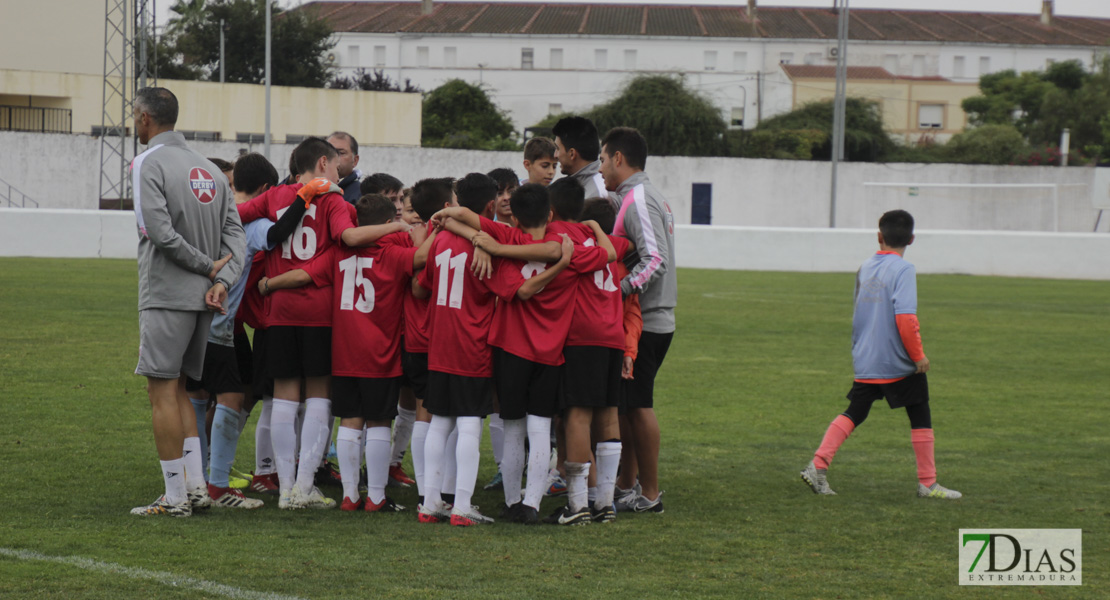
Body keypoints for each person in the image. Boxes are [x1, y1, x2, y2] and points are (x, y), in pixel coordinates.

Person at [236, 137, 407, 511]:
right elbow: (347, 237)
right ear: (324, 163)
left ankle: (283, 490)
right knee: (318, 395)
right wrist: (396, 228)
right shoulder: (334, 201)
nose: (339, 172)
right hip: (319, 310)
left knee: (283, 396)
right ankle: (304, 485)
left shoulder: (277, 196)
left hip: (279, 310)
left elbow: (235, 215)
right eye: (335, 166)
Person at [260, 193, 435, 513]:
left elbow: (303, 275)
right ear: (387, 225)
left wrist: (270, 284)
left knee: (350, 421)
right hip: (380, 353)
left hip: (343, 353)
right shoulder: (394, 253)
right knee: (380, 422)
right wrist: (425, 232)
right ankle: (377, 498)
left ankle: (350, 496)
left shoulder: (338, 252)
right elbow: (422, 259)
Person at [129, 87, 246, 517]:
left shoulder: (147, 162)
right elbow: (236, 238)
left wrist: (207, 268)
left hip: (167, 293)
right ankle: (195, 487)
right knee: (181, 389)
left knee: (160, 391)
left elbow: (158, 233)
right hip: (205, 300)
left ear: (144, 118)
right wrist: (222, 279)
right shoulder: (211, 170)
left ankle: (175, 497)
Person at [801, 210, 962, 500]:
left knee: (855, 411)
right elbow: (906, 319)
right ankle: (928, 483)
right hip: (896, 361)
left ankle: (818, 465)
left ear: (879, 236)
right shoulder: (904, 269)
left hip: (867, 357)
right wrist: (918, 357)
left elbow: (858, 314)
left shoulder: (864, 267)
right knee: (920, 412)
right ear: (911, 239)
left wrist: (860, 351)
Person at [191, 152, 305, 510]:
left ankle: (195, 478)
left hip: (190, 322)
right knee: (232, 399)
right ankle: (217, 486)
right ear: (265, 189)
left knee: (195, 396)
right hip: (220, 326)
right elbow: (278, 232)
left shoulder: (203, 218)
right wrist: (304, 197)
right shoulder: (248, 225)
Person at [600, 127, 676, 514]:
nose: (600, 168)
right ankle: (627, 484)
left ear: (618, 158)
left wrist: (619, 290)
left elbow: (656, 259)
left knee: (639, 403)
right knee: (628, 405)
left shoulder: (639, 199)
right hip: (642, 319)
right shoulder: (636, 196)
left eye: (602, 159)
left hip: (646, 320)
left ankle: (650, 494)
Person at [551, 116, 610, 204]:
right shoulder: (569, 186)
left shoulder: (598, 194)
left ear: (572, 154)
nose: (555, 155)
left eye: (558, 149)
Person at [327, 131, 362, 204]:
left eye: (341, 153)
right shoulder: (310, 188)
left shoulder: (360, 194)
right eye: (328, 152)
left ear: (355, 160)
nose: (333, 157)